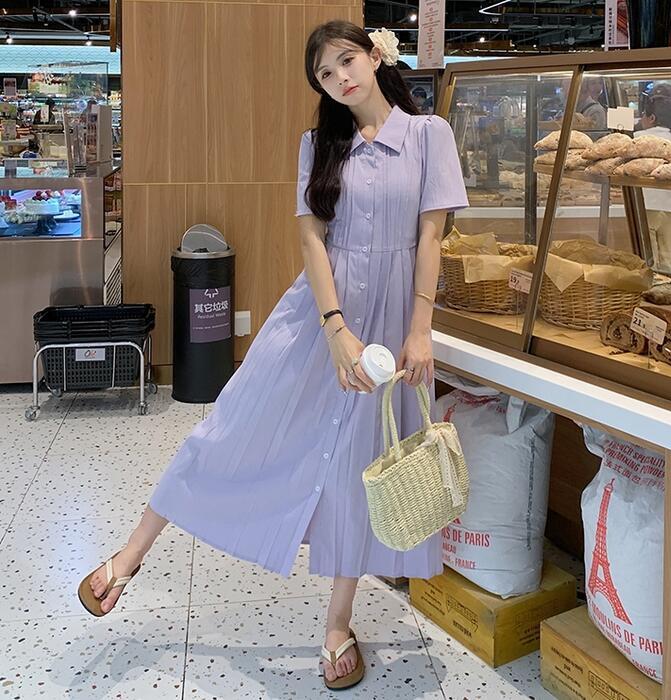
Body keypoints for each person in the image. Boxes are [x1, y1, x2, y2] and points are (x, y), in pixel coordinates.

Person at [77, 19, 468, 691]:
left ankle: (337, 626)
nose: (340, 78)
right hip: (319, 317)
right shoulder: (318, 145)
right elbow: (313, 241)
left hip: (393, 322)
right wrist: (335, 328)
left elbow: (432, 235)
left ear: (374, 56)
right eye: (325, 74)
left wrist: (421, 328)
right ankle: (131, 553)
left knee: (360, 467)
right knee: (232, 425)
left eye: (347, 60)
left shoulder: (429, 134)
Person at [635, 94, 671, 273]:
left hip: (646, 207)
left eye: (643, 114)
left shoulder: (638, 138)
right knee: (667, 263)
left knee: (649, 266)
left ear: (652, 118)